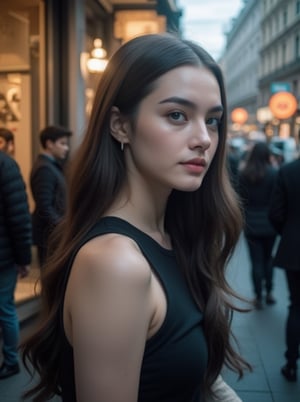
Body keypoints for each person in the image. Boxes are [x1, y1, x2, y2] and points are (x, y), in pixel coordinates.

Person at [22, 33, 250, 402]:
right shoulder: (116, 263)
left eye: (212, 120)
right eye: (177, 115)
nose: (204, 138)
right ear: (120, 126)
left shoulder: (172, 236)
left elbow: (193, 379)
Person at [0, 150, 31, 379]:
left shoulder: (5, 166)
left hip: (4, 256)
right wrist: (23, 259)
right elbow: (19, 216)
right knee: (6, 309)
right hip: (5, 256)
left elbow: (19, 217)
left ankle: (11, 360)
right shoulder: (6, 164)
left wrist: (23, 258)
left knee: (5, 309)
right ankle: (11, 361)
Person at [269, 156, 300, 382]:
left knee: (296, 306)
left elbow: (276, 213)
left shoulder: (288, 170)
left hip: (294, 249)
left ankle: (291, 362)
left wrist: (288, 234)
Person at [238, 142, 277, 309]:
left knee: (256, 261)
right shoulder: (274, 173)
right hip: (270, 224)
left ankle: (258, 295)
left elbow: (240, 199)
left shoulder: (244, 173)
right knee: (269, 259)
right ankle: (269, 292)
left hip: (251, 224)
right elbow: (277, 201)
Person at [30, 125, 72, 267]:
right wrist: (63, 227)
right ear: (49, 144)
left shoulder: (52, 166)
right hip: (49, 236)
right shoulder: (44, 169)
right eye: (62, 143)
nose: (66, 148)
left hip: (53, 234)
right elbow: (44, 206)